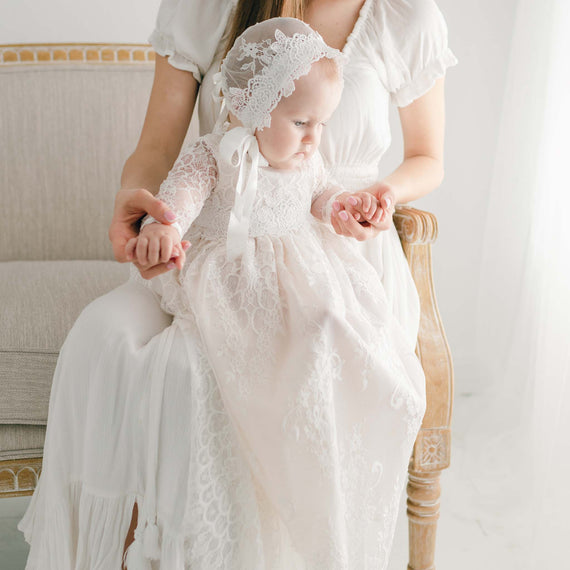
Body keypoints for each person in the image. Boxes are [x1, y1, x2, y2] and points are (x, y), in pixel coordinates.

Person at [18, 1, 457, 569]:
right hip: (216, 248)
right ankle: (132, 551)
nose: (310, 135)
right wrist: (149, 214)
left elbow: (427, 157)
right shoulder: (205, 11)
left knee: (261, 360)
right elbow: (156, 151)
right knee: (105, 338)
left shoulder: (405, 16)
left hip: (343, 252)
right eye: (303, 124)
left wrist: (379, 198)